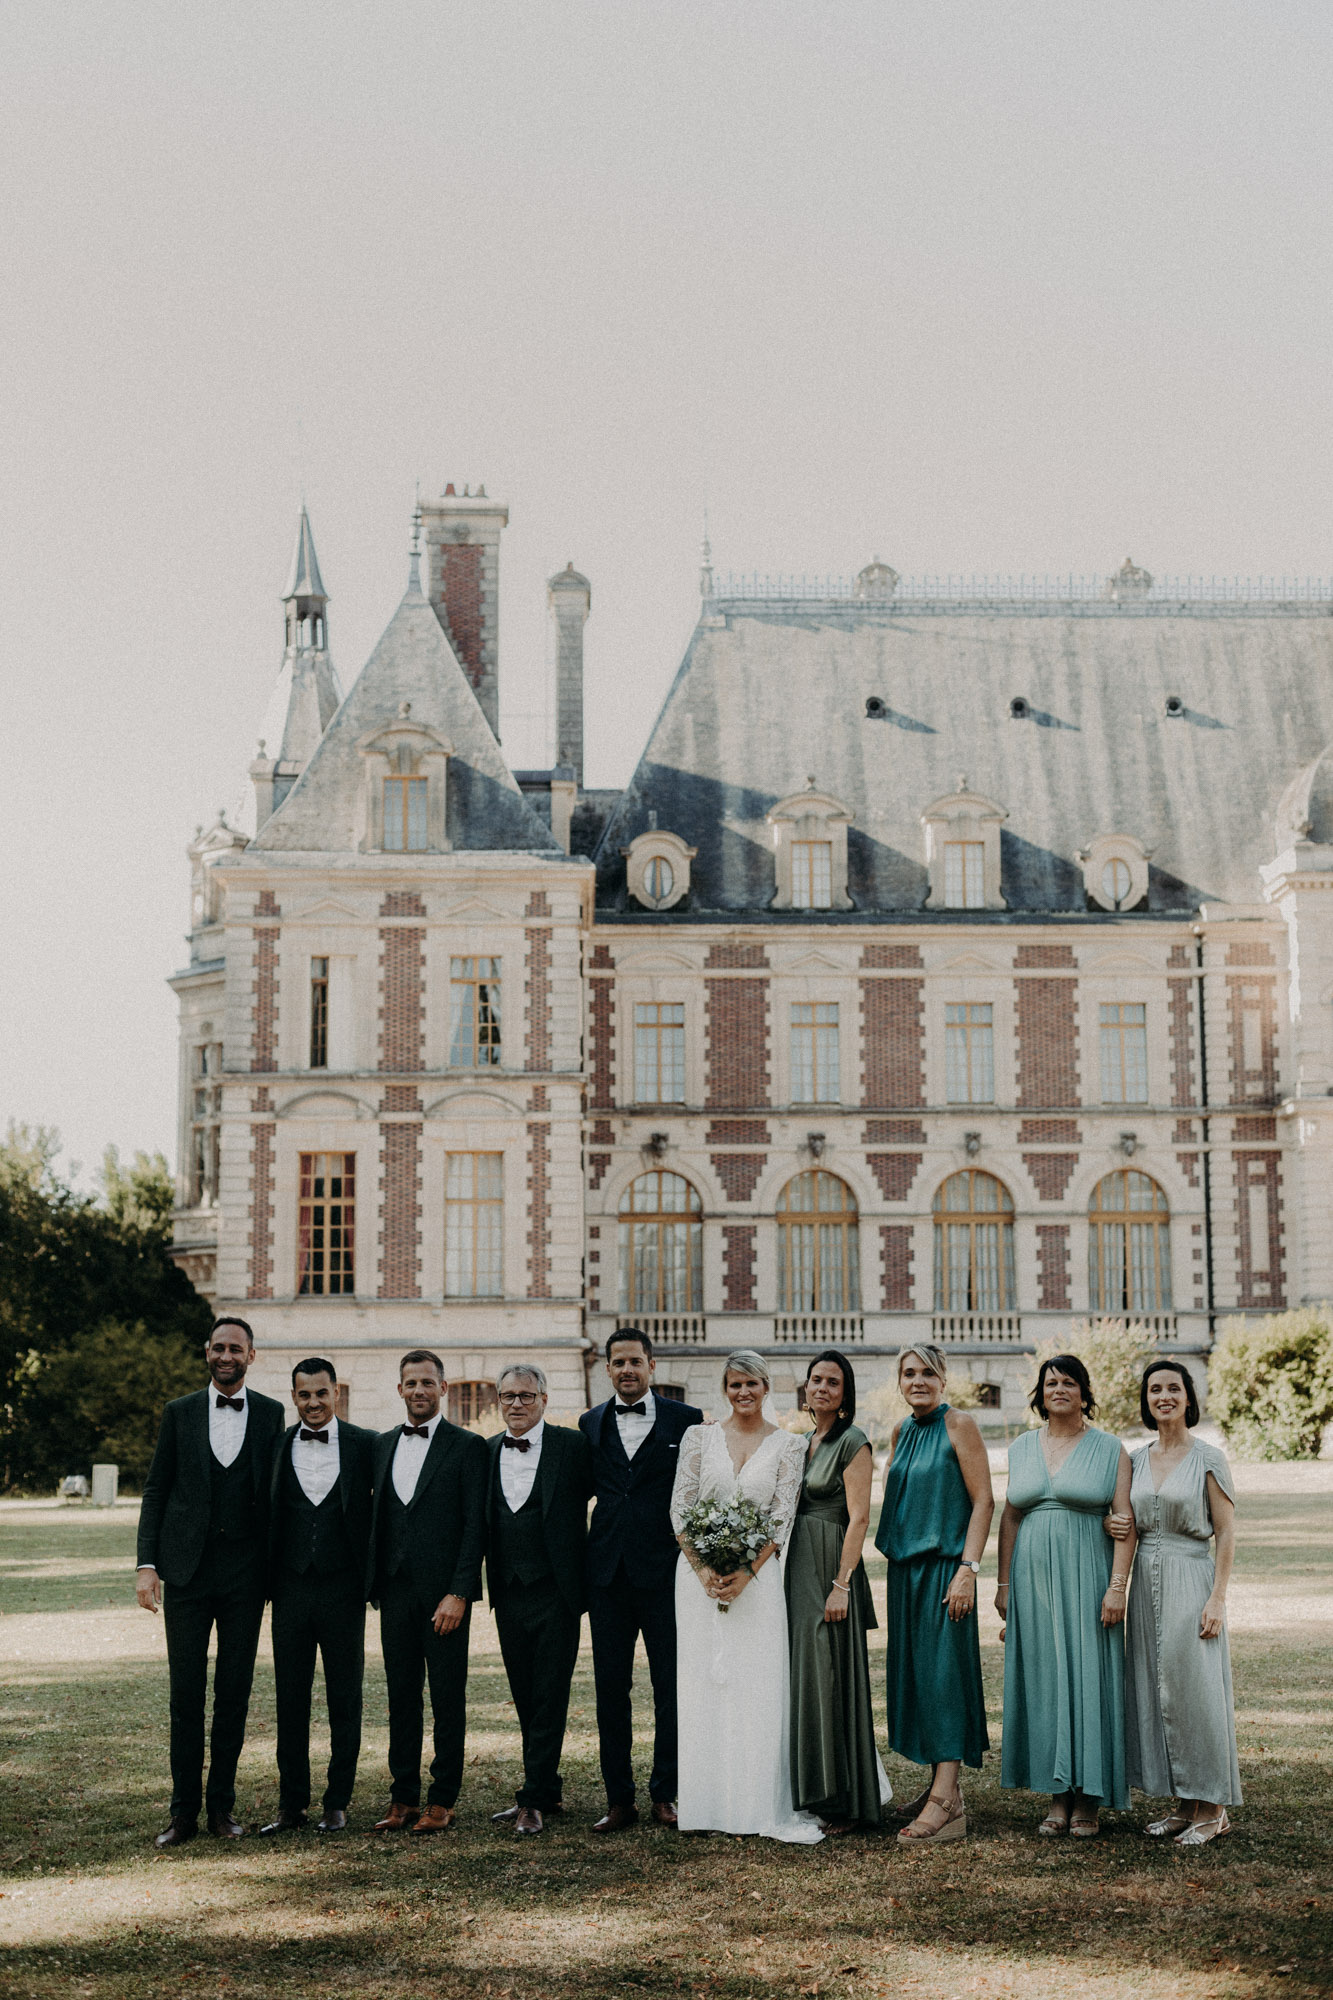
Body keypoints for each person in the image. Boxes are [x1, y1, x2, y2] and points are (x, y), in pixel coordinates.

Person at [135, 1316, 286, 1847]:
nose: (227, 1356)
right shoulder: (179, 1413)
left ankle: (223, 1808)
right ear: (207, 1353)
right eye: (219, 1347)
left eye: (236, 1349)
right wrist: (146, 1565)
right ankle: (182, 1815)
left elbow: (276, 1497)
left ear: (251, 1355)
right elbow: (157, 1490)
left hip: (246, 1576)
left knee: (234, 1693)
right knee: (186, 1694)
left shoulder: (271, 1413)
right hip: (187, 1572)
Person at [670, 1350, 823, 1843]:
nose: (743, 1393)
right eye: (734, 1384)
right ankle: (708, 1803)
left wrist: (742, 1575)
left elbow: (781, 1519)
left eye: (752, 1384)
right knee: (704, 1688)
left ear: (765, 1387)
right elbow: (681, 1508)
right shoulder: (699, 1437)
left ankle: (757, 1803)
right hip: (697, 1583)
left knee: (757, 1688)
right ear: (725, 1388)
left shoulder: (789, 1446)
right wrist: (704, 1571)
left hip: (758, 1583)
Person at [997, 1354, 1134, 1837]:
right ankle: (1057, 1795)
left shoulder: (1111, 1448)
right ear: (1040, 1393)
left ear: (1083, 1392)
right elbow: (1010, 1517)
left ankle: (1089, 1798)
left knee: (1089, 1676)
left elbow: (1126, 1524)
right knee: (1047, 1679)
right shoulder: (1020, 1447)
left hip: (1088, 1575)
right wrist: (1003, 1585)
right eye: (1050, 1382)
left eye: (1069, 1382)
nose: (1059, 1389)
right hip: (1032, 1581)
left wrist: (1117, 1588)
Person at [1108, 1360, 1241, 1846]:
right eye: (1155, 1389)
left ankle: (1215, 1808)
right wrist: (1115, 1526)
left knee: (1197, 1692)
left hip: (1192, 1578)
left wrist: (1218, 1598)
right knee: (1158, 1691)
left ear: (1189, 1398)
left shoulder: (1208, 1456)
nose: (1163, 1396)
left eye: (1173, 1389)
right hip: (1145, 1581)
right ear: (1146, 1400)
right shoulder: (1137, 1459)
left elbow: (1225, 1531)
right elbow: (1128, 1521)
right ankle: (1184, 1803)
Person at [580, 1329, 703, 1832]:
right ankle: (619, 1799)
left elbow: (700, 1494)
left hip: (666, 1574)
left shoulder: (687, 1421)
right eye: (618, 1363)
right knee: (611, 1689)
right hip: (606, 1576)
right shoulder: (589, 1424)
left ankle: (666, 1793)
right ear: (606, 1370)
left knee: (669, 1686)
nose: (627, 1370)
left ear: (651, 1365)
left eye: (635, 1361)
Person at [875, 1343, 993, 1845]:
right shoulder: (902, 1431)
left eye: (926, 1373)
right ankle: (939, 1785)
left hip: (947, 1568)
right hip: (906, 1572)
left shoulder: (958, 1424)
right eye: (908, 1374)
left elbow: (984, 1498)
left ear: (943, 1380)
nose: (917, 1381)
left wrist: (968, 1569)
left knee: (946, 1677)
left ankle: (949, 1802)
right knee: (921, 1678)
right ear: (899, 1382)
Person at [367, 1350, 487, 1834]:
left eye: (427, 1383)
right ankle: (403, 1798)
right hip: (394, 1593)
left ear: (444, 1388)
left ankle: (442, 1798)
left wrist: (459, 1592)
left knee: (446, 1697)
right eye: (410, 1383)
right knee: (401, 1697)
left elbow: (475, 1526)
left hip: (444, 1599)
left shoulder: (467, 1446)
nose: (418, 1391)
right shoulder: (380, 1445)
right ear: (400, 1390)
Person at [259, 1357, 375, 1836]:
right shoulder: (276, 1445)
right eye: (304, 1395)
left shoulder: (367, 1445)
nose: (313, 1403)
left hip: (344, 1590)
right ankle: (291, 1805)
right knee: (291, 1698)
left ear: (336, 1394)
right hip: (288, 1589)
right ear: (294, 1398)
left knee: (344, 1697)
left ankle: (337, 1801)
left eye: (321, 1394)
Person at [484, 1363, 594, 1836]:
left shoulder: (572, 1447)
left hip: (558, 1591)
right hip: (508, 1591)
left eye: (526, 1396)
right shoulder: (485, 1451)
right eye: (508, 1396)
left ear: (544, 1400)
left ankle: (532, 1801)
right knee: (525, 1693)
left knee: (551, 1693)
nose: (517, 1404)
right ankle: (545, 1787)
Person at [785, 1349, 884, 1833]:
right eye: (816, 1380)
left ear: (845, 1395)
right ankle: (811, 1789)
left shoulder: (853, 1442)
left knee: (832, 1678)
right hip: (795, 1568)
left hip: (831, 1568)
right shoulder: (802, 1442)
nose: (822, 1388)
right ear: (806, 1388)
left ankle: (845, 1800)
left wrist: (841, 1584)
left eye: (833, 1382)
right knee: (807, 1676)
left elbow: (860, 1516)